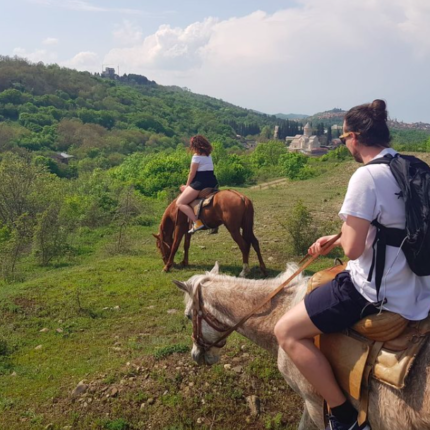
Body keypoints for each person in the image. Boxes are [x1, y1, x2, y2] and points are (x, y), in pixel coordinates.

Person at [274, 99, 430, 430]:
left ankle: (343, 415)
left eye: (345, 139)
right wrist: (340, 234)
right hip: (418, 282)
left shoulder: (366, 177)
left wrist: (345, 239)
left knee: (285, 331)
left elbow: (356, 251)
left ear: (355, 137)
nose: (345, 145)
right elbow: (394, 225)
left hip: (377, 291)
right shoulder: (411, 167)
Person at [176, 135, 218, 234]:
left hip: (200, 183)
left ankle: (196, 222)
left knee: (180, 203)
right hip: (212, 181)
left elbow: (192, 173)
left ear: (195, 146)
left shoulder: (196, 156)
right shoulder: (209, 155)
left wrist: (186, 186)